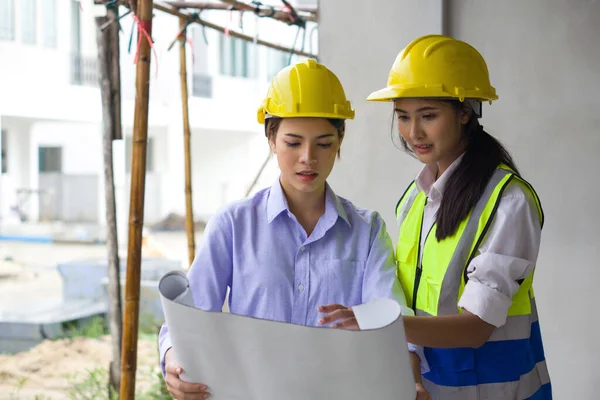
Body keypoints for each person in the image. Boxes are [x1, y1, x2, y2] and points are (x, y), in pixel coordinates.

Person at [158, 59, 430, 400]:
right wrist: (173, 362)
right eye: (292, 142)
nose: (308, 157)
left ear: (340, 139)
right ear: (271, 138)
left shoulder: (367, 231)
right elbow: (188, 321)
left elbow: (393, 323)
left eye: (324, 143)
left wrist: (410, 381)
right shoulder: (233, 225)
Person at [366, 34, 552, 399]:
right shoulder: (415, 199)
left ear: (465, 112)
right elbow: (410, 299)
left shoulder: (508, 201)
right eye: (403, 117)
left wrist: (380, 328)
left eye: (428, 116)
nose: (413, 133)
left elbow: (476, 328)